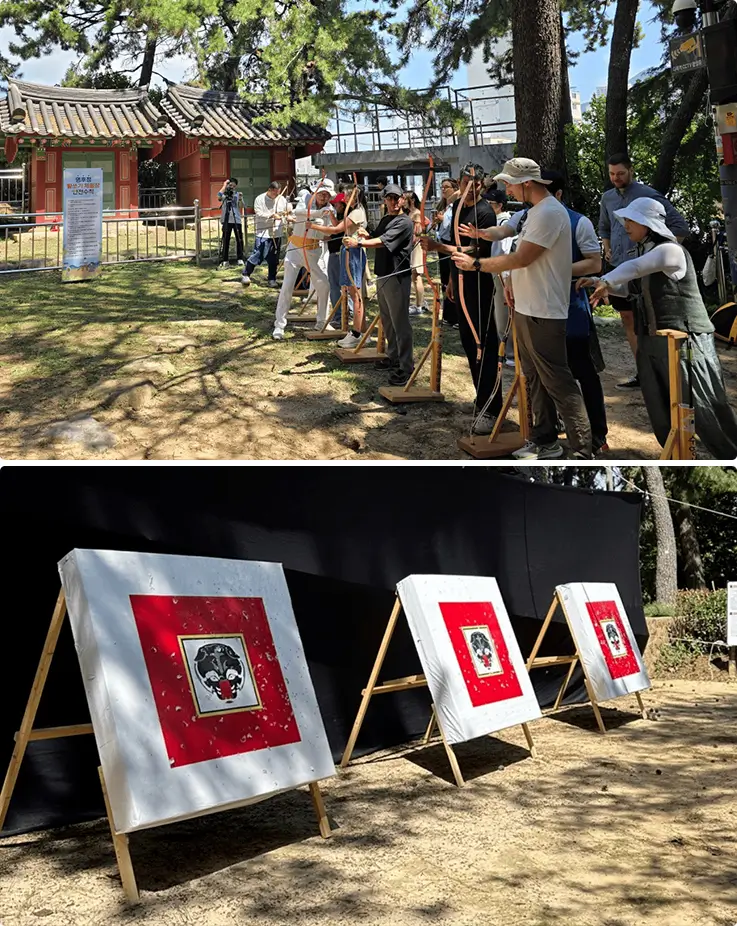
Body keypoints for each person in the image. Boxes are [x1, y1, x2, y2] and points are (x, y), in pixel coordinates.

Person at [453, 157, 592, 459]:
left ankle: (583, 449)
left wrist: (477, 264)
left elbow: (522, 258)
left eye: (510, 184)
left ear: (526, 183)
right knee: (535, 379)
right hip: (527, 307)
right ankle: (546, 441)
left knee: (557, 380)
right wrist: (482, 235)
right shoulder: (533, 212)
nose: (507, 190)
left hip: (544, 310)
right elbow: (506, 234)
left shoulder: (549, 213)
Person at [579, 197, 737, 460]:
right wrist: (599, 282)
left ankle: (731, 454)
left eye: (631, 220)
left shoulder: (670, 251)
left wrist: (606, 279)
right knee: (660, 405)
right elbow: (631, 285)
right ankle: (675, 456)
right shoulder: (647, 253)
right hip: (653, 340)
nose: (626, 225)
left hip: (686, 340)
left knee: (707, 406)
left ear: (647, 223)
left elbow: (635, 268)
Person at [599, 153, 691, 389]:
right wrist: (607, 248)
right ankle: (643, 372)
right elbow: (605, 227)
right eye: (612, 174)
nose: (616, 178)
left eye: (620, 173)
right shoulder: (607, 198)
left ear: (631, 170)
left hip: (644, 273)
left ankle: (665, 375)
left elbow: (680, 227)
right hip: (618, 267)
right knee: (628, 320)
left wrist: (659, 253)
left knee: (650, 323)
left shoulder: (648, 196)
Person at [424, 164, 501, 435]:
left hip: (480, 285)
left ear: (481, 185)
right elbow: (457, 244)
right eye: (467, 181)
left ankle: (491, 407)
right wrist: (452, 281)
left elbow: (476, 250)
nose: (471, 187)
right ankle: (482, 398)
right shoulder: (457, 207)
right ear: (460, 182)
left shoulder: (485, 213)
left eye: (476, 183)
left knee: (484, 344)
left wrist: (438, 247)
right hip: (462, 281)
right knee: (469, 343)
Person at [543, 170, 609, 455]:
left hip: (571, 307)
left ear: (558, 194)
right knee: (548, 374)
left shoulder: (578, 221)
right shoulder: (528, 220)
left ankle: (598, 434)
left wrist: (553, 271)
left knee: (582, 370)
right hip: (540, 309)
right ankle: (553, 430)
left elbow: (595, 264)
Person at [345, 184, 414, 385]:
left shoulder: (404, 221)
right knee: (387, 320)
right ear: (384, 200)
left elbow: (383, 241)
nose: (393, 202)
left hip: (397, 275)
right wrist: (366, 235)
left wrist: (359, 243)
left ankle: (406, 366)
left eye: (396, 198)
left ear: (402, 199)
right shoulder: (386, 218)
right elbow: (376, 235)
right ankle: (393, 357)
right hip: (383, 273)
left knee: (400, 322)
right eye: (389, 198)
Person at [272, 177, 335, 340]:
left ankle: (321, 321)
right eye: (321, 193)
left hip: (314, 251)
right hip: (295, 249)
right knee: (287, 286)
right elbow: (298, 212)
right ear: (315, 192)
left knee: (324, 286)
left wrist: (322, 227)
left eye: (327, 195)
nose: (324, 197)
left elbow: (330, 232)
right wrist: (317, 214)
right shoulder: (305, 197)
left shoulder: (330, 210)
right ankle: (279, 325)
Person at [485, 189, 516, 366]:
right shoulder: (496, 221)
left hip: (502, 273)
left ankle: (509, 353)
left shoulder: (505, 222)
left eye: (490, 204)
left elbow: (504, 251)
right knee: (498, 313)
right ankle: (503, 349)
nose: (488, 207)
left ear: (500, 205)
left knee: (504, 314)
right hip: (495, 271)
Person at [241, 181, 288, 288]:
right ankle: (246, 273)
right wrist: (272, 215)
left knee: (274, 258)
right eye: (275, 193)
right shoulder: (260, 199)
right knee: (258, 254)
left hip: (276, 232)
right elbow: (259, 213)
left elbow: (285, 212)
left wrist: (285, 215)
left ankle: (272, 278)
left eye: (278, 193)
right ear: (270, 190)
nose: (276, 195)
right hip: (263, 232)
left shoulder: (281, 199)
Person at [433, 178, 460, 327]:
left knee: (452, 279)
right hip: (442, 245)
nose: (443, 189)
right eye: (442, 187)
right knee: (445, 280)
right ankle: (449, 315)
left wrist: (443, 219)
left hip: (451, 245)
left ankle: (456, 316)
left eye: (447, 187)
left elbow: (453, 226)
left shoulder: (457, 205)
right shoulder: (444, 205)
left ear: (454, 189)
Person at [403, 190, 430, 316]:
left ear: (412, 200)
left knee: (416, 275)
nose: (403, 201)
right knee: (414, 276)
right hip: (412, 247)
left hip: (416, 247)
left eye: (405, 199)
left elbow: (418, 233)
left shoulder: (417, 213)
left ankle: (420, 306)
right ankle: (420, 302)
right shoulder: (411, 213)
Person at [218, 177, 245, 267]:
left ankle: (240, 258)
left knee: (239, 239)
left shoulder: (237, 194)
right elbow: (218, 196)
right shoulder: (224, 194)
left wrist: (240, 198)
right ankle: (225, 259)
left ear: (236, 186)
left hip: (236, 219)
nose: (232, 187)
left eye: (233, 186)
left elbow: (241, 206)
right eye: (230, 185)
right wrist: (224, 186)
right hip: (226, 219)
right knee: (226, 239)